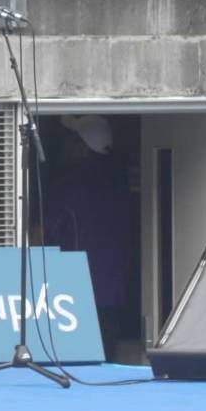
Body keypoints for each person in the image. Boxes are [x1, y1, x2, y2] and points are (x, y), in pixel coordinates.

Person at [39, 115, 137, 361]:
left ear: (82, 147)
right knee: (107, 362)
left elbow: (39, 232)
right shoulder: (121, 182)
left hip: (74, 292)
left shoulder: (69, 187)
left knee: (77, 364)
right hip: (115, 291)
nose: (65, 147)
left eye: (70, 141)